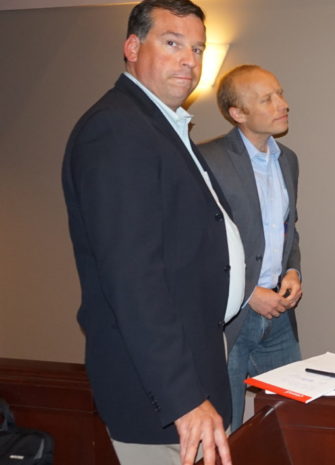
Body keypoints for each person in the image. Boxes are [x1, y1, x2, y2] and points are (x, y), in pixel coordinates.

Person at [61, 1, 245, 464]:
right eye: (172, 43)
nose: (190, 60)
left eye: (198, 48)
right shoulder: (117, 129)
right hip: (162, 401)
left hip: (189, 371)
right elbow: (132, 279)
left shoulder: (159, 124)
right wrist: (183, 398)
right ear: (131, 47)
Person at [199, 65, 302, 431]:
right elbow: (198, 247)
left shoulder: (287, 159)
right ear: (237, 113)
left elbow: (288, 228)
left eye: (280, 93)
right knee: (225, 428)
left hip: (279, 318)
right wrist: (248, 294)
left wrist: (293, 270)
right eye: (267, 99)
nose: (283, 104)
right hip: (229, 320)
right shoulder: (206, 160)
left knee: (290, 422)